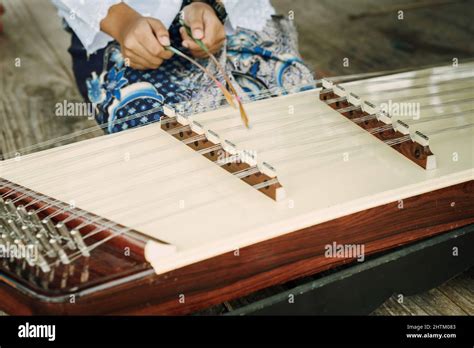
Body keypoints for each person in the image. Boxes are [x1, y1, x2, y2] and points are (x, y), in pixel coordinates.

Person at [52, 0, 314, 133]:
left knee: (295, 105)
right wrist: (122, 22)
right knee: (155, 131)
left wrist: (211, 5)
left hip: (232, 12)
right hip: (117, 25)